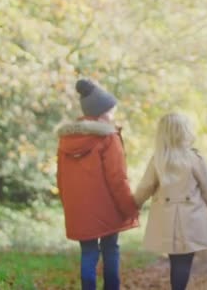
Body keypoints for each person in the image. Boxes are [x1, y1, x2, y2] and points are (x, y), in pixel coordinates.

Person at [56, 79, 139, 290]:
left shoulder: (66, 139)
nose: (113, 115)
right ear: (102, 113)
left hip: (79, 208)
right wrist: (129, 207)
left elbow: (61, 178)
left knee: (88, 253)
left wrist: (68, 203)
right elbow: (117, 178)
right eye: (111, 111)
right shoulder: (108, 138)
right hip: (107, 207)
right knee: (111, 249)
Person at [133, 112, 207, 290]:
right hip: (191, 219)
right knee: (184, 261)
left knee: (176, 260)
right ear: (185, 131)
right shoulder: (195, 159)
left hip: (166, 220)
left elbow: (145, 187)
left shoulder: (158, 159)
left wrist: (134, 206)